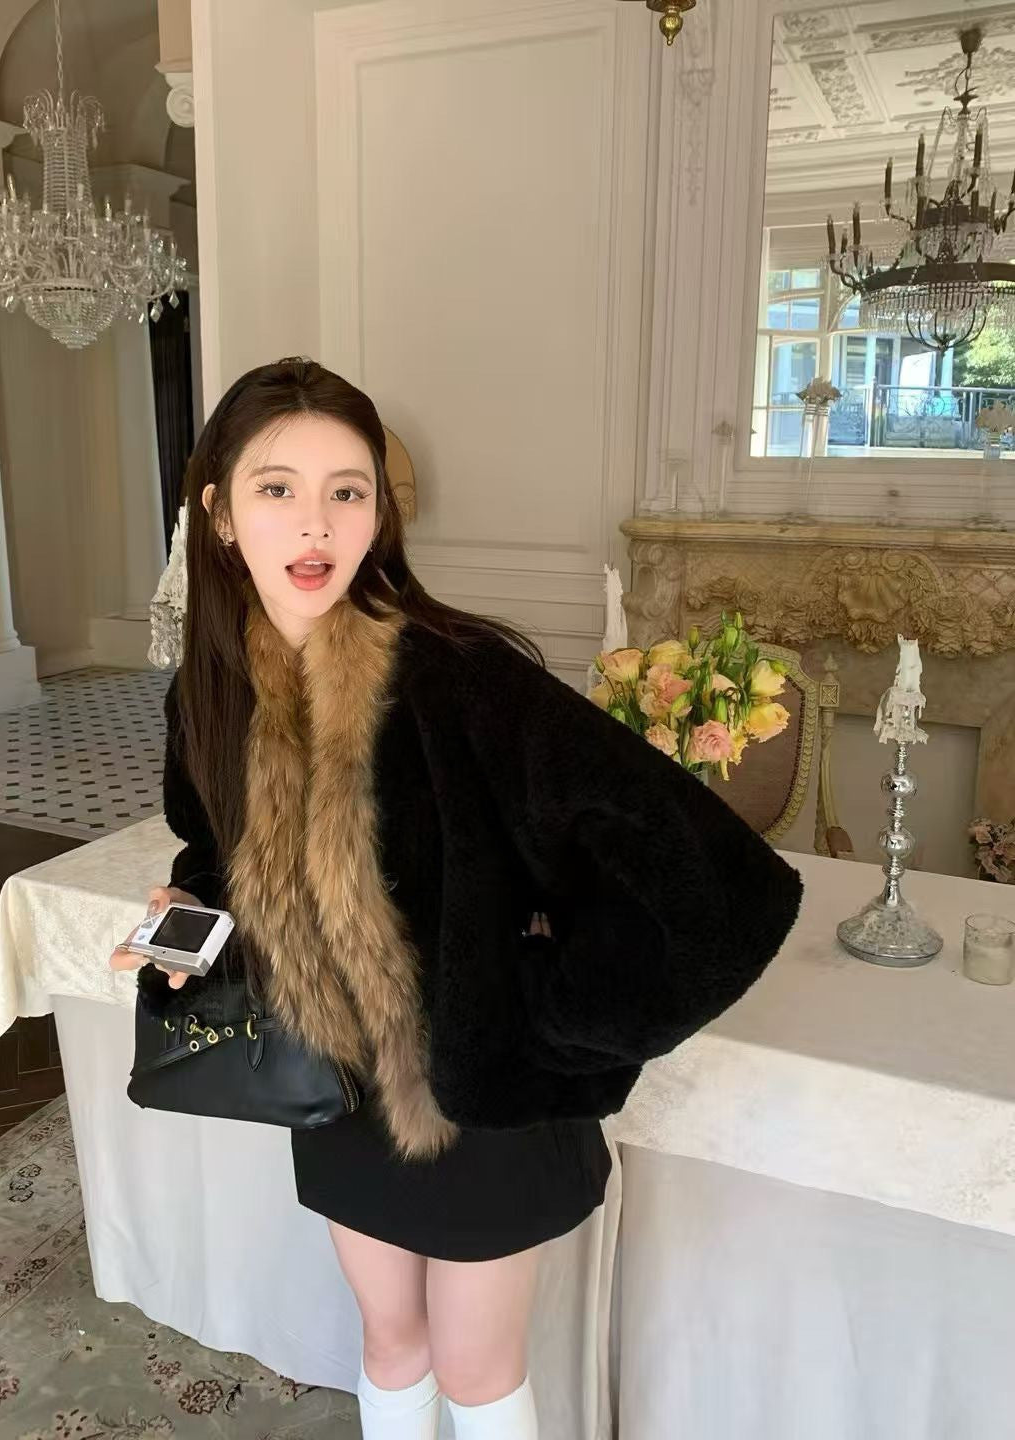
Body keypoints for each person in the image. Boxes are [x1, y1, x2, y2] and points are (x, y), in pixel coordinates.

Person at [110, 356, 803, 1439]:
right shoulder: (212, 690)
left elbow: (719, 888)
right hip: (334, 1091)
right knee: (390, 1344)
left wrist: (544, 1020)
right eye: (277, 488)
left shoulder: (461, 675)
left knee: (479, 1374)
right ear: (219, 513)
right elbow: (214, 849)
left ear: (378, 513)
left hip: (479, 1104)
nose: (316, 523)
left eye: (347, 490)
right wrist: (181, 929)